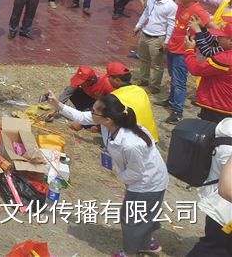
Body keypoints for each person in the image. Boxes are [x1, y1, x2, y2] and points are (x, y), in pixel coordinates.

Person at [46, 93, 168, 257]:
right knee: (143, 212)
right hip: (138, 178)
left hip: (147, 183)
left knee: (130, 217)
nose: (91, 112)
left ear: (108, 119)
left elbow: (136, 173)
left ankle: (130, 252)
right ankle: (147, 242)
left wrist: (124, 180)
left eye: (95, 110)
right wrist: (58, 105)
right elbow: (81, 116)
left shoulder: (130, 144)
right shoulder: (109, 124)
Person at [163, 0, 213, 124]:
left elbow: (211, 25)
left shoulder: (198, 10)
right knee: (173, 76)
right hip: (173, 47)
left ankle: (177, 111)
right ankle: (171, 100)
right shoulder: (180, 5)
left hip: (183, 51)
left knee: (179, 82)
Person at [187, 118, 232, 256]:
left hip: (220, 207)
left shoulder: (226, 126)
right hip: (224, 214)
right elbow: (226, 188)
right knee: (214, 249)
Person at [133, 0, 177, 94]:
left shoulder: (171, 6)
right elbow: (146, 14)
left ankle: (154, 86)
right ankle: (144, 79)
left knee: (157, 64)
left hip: (157, 38)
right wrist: (138, 26)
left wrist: (167, 41)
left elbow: (171, 25)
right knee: (144, 59)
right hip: (145, 33)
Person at [181, 23, 232, 122]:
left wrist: (189, 50)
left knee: (212, 133)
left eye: (221, 37)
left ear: (230, 41)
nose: (218, 38)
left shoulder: (225, 58)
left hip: (220, 107)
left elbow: (196, 69)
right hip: (225, 105)